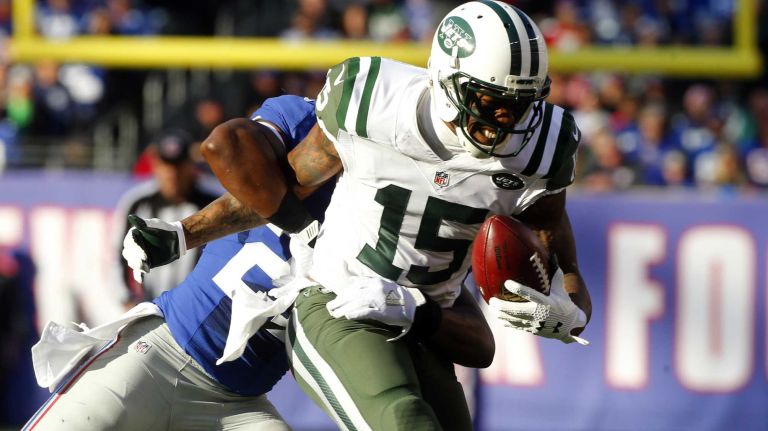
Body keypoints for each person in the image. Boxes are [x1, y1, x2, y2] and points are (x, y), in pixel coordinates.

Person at [128, 2, 592, 429]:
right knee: (405, 422)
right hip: (341, 302)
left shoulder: (545, 147)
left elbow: (554, 245)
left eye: (521, 103)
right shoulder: (373, 101)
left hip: (425, 320)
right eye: (491, 100)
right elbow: (288, 188)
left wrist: (567, 307)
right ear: (447, 78)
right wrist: (184, 233)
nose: (506, 120)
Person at [24, 95, 494, 430]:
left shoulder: (412, 218)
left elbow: (478, 341)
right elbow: (226, 147)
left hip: (239, 405)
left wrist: (418, 311)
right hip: (156, 357)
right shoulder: (312, 124)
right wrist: (300, 227)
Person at [112, 128, 219, 304]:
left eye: (179, 165)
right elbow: (118, 255)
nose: (172, 174)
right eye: (166, 165)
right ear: (155, 164)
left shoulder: (211, 204)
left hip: (197, 308)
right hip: (151, 306)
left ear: (190, 165)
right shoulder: (138, 203)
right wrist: (126, 298)